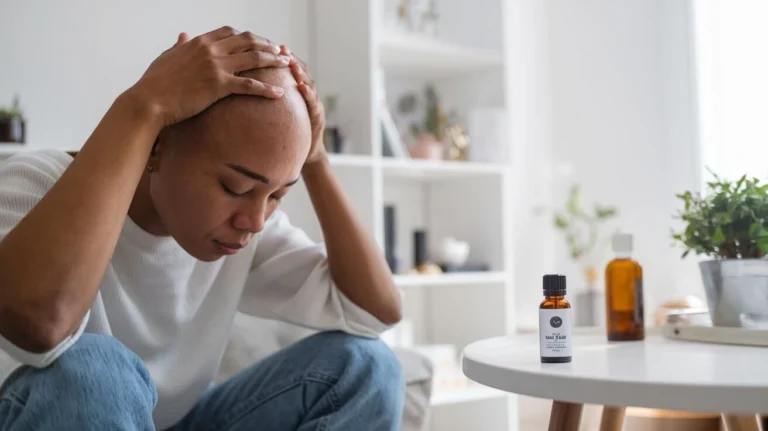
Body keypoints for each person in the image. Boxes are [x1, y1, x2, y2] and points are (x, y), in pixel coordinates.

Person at [0, 26, 404, 430]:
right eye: (235, 187)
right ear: (157, 144)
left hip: (182, 422)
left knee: (368, 367)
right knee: (94, 372)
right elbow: (40, 328)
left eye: (277, 194)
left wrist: (315, 161)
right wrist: (143, 105)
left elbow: (376, 312)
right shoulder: (36, 183)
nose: (254, 222)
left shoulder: (244, 229)